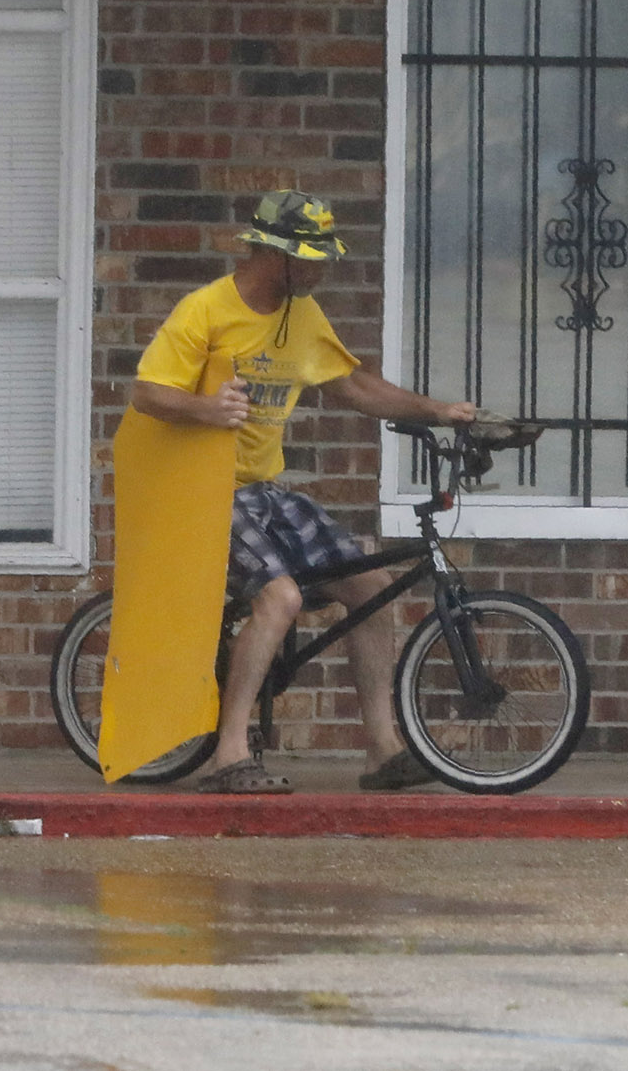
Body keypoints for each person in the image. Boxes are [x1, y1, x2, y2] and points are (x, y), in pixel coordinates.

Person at [130, 190, 475, 795]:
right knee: (280, 598)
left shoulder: (303, 317)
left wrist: (439, 410)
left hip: (260, 488)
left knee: (368, 587)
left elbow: (356, 387)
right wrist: (207, 409)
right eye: (310, 258)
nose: (320, 270)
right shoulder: (204, 311)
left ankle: (383, 750)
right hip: (200, 491)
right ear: (274, 254)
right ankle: (228, 755)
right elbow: (148, 394)